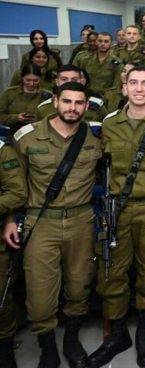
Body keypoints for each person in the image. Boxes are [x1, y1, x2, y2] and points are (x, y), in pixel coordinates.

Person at [88, 67, 145, 368]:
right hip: (117, 209)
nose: (139, 88)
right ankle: (117, 334)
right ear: (124, 88)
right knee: (111, 273)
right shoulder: (109, 124)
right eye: (133, 83)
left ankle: (144, 330)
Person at [4, 82, 99, 368]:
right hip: (41, 222)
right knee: (40, 296)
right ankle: (47, 347)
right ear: (55, 101)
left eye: (79, 103)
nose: (73, 108)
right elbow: (13, 185)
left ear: (86, 106)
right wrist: (9, 219)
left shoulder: (95, 137)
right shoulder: (27, 137)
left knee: (79, 287)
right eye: (67, 101)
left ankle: (71, 338)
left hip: (81, 220)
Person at [0, 126, 26, 368]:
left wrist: (8, 218)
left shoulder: (2, 150)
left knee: (1, 298)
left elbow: (17, 193)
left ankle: (5, 347)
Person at [0, 65, 52, 132]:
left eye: (35, 80)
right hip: (15, 132)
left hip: (40, 132)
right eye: (28, 80)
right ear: (22, 78)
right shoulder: (9, 93)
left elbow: (53, 117)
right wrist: (16, 118)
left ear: (40, 79)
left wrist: (37, 119)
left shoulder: (47, 95)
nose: (31, 84)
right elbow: (1, 116)